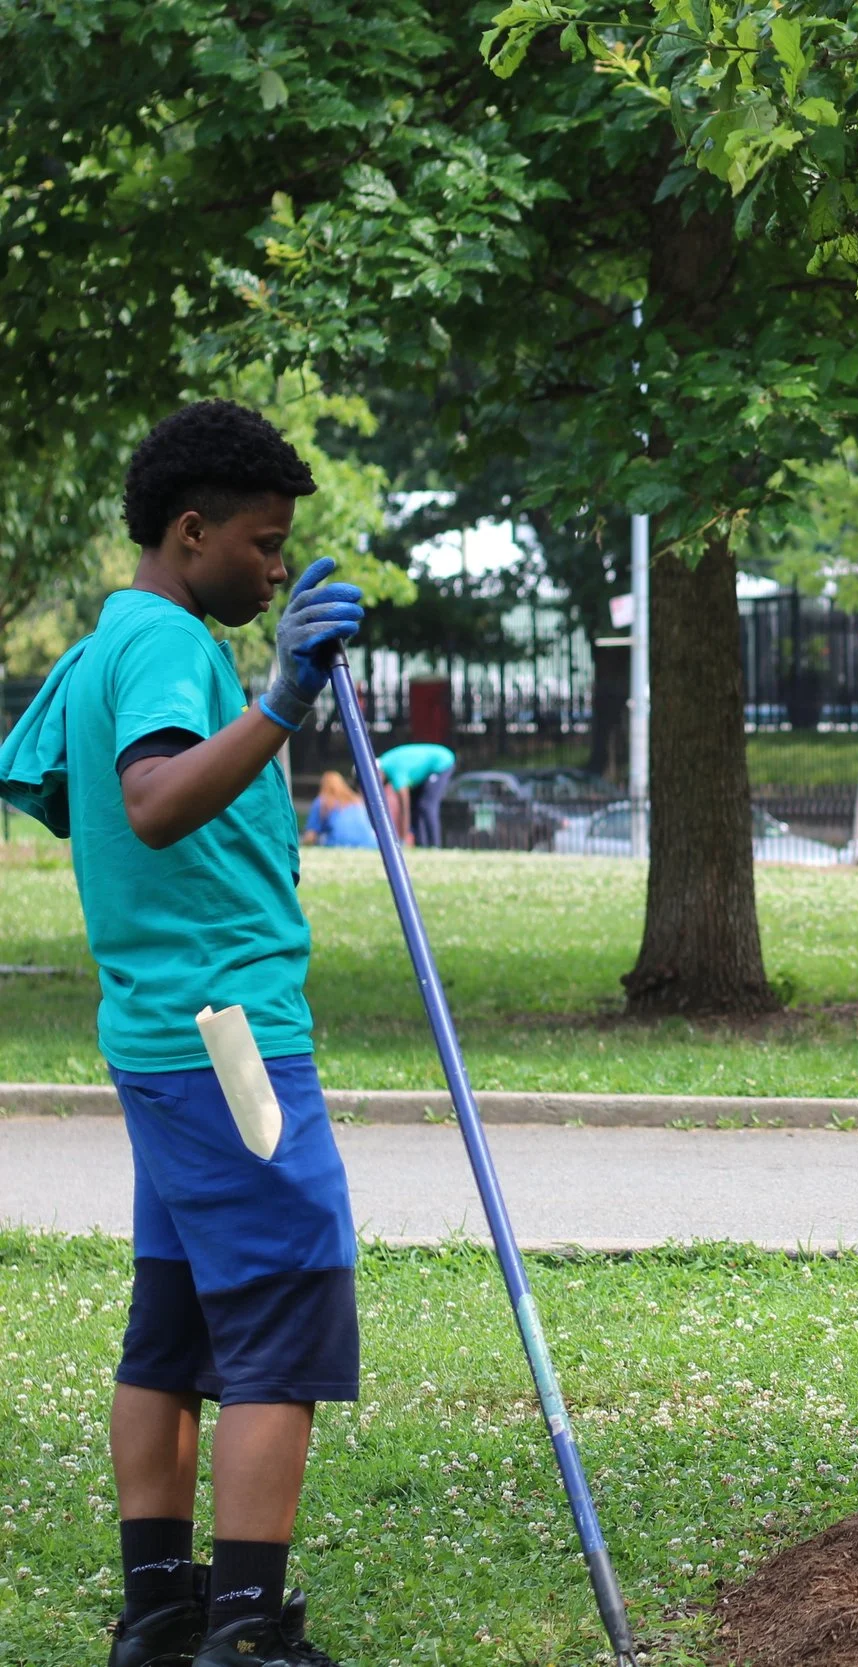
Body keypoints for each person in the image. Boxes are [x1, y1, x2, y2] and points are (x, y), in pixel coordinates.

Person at [0, 399, 366, 1667]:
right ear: (190, 529)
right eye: (262, 543)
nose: (274, 569)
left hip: (162, 1029)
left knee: (173, 1324)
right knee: (287, 1307)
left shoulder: (109, 640)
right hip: (228, 1039)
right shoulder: (164, 642)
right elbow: (152, 801)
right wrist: (281, 700)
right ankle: (246, 1630)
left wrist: (263, 711)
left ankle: (160, 1609)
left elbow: (50, 779)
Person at [375, 740, 454, 847]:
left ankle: (435, 845)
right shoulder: (386, 763)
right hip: (426, 771)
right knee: (416, 806)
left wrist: (402, 839)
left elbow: (404, 807)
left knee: (427, 805)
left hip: (442, 763)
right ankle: (421, 844)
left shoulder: (392, 769)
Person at [299, 771, 376, 850]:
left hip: (341, 844)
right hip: (371, 844)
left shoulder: (323, 802)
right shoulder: (357, 801)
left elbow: (310, 837)